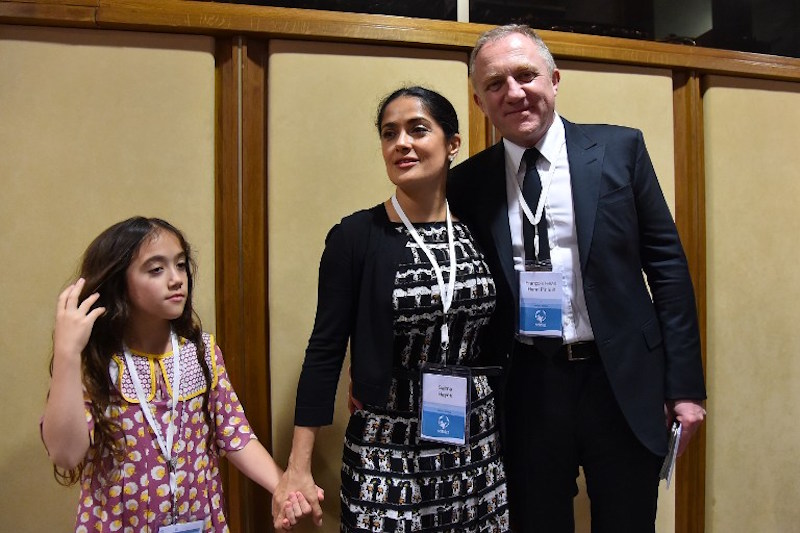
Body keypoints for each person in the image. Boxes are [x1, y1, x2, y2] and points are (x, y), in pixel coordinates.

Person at [447, 25, 707, 533]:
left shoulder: (620, 149)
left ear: (555, 79)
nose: (514, 92)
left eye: (526, 75)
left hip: (621, 380)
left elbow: (669, 271)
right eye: (495, 84)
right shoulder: (467, 182)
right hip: (527, 385)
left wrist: (686, 388)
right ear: (480, 102)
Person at [271, 86, 510, 532]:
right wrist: (297, 466)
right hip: (387, 443)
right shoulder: (356, 236)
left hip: (472, 438)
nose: (401, 142)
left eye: (418, 129)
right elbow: (324, 351)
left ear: (452, 143)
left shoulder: (481, 230)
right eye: (389, 133)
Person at [41, 216, 319, 532]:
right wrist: (67, 354)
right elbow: (65, 454)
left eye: (181, 265)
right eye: (156, 269)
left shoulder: (201, 351)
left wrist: (283, 487)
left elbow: (234, 434)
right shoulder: (96, 362)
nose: (176, 279)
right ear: (119, 282)